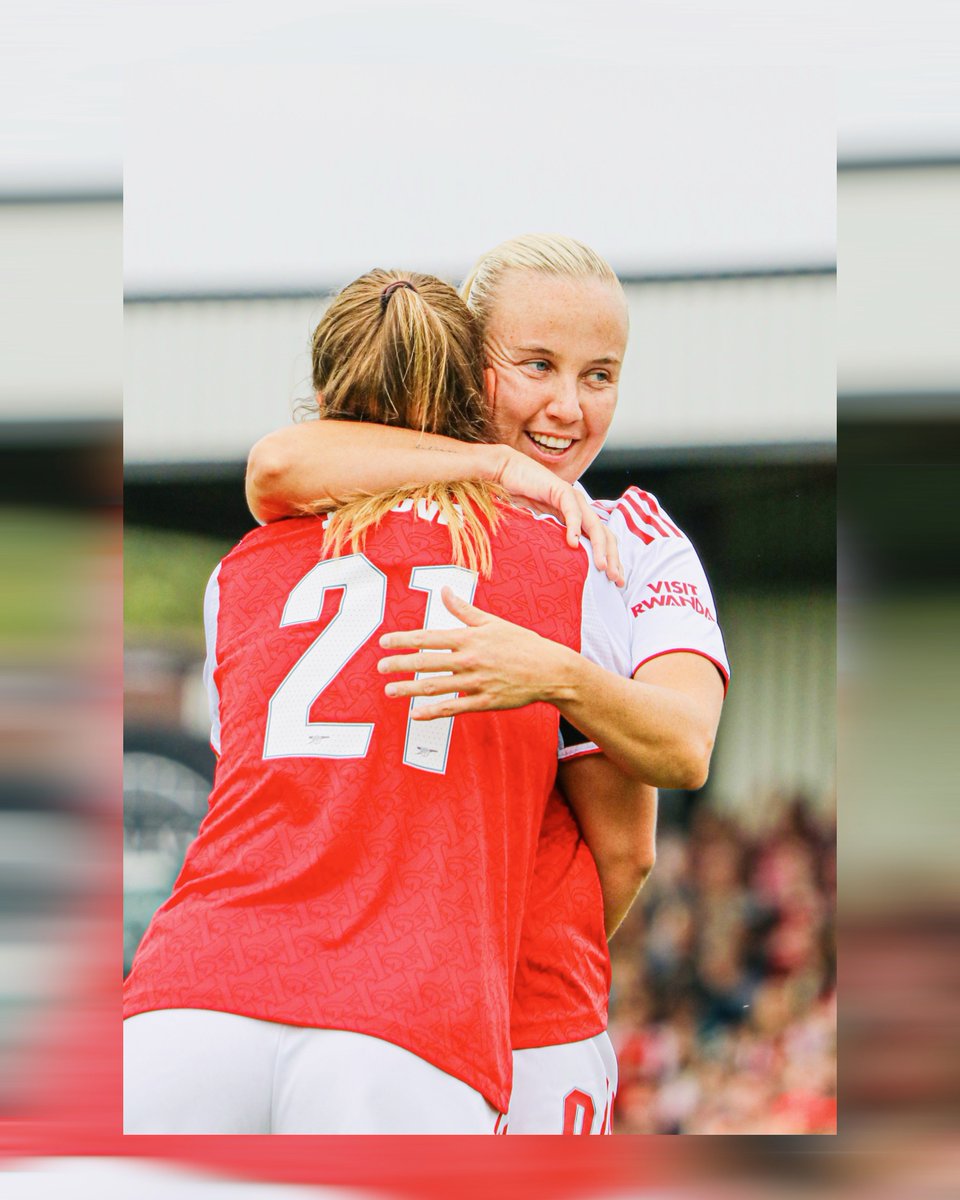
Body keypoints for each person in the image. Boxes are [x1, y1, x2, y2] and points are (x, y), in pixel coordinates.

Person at [122, 268, 635, 1135]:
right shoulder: (570, 562)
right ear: (474, 400)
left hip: (189, 997)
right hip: (406, 1021)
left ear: (323, 397)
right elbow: (624, 846)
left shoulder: (237, 575)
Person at [245, 234, 730, 1134]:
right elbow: (275, 463)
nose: (568, 407)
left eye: (600, 376)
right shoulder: (394, 501)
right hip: (402, 1005)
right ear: (470, 368)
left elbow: (681, 747)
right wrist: (490, 467)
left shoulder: (631, 543)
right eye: (537, 365)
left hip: (474, 1007)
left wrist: (554, 672)